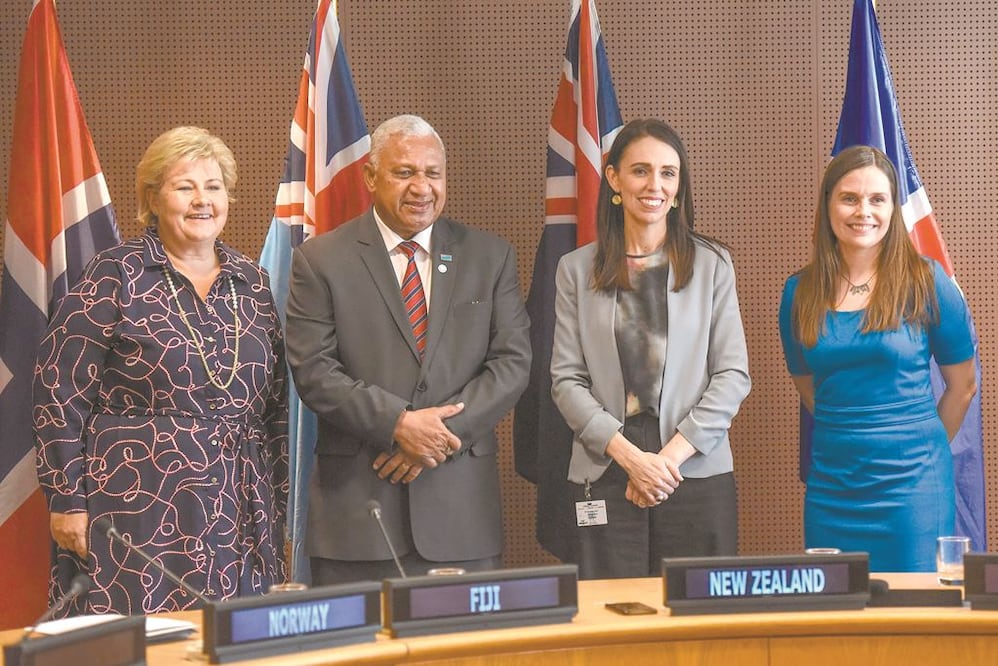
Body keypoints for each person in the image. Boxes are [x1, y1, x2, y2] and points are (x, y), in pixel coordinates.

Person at [33, 126, 289, 615]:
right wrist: (67, 499)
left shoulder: (252, 282)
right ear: (152, 198)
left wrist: (278, 505)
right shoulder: (116, 274)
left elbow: (275, 406)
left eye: (213, 187)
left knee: (232, 638)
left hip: (239, 505)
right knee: (137, 639)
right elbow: (59, 390)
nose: (202, 200)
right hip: (136, 503)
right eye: (184, 187)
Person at [285, 114, 531, 584]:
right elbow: (314, 370)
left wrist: (437, 435)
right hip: (358, 517)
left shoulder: (489, 256)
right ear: (370, 177)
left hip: (461, 514)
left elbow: (512, 363)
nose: (422, 187)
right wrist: (398, 424)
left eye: (433, 173)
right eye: (404, 173)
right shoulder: (320, 260)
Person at [549, 119, 750, 579]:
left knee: (698, 613)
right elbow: (566, 380)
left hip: (692, 464)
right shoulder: (575, 270)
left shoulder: (713, 265)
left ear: (678, 188)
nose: (654, 185)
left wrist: (664, 462)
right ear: (614, 179)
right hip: (607, 463)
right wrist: (631, 459)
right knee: (609, 613)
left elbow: (732, 375)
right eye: (640, 171)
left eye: (668, 173)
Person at [779, 145, 976, 572]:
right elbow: (809, 387)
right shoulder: (799, 292)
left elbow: (963, 386)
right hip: (831, 488)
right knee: (838, 604)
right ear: (828, 205)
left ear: (892, 208)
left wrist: (917, 445)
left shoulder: (927, 281)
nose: (863, 211)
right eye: (849, 198)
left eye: (877, 199)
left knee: (914, 607)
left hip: (913, 488)